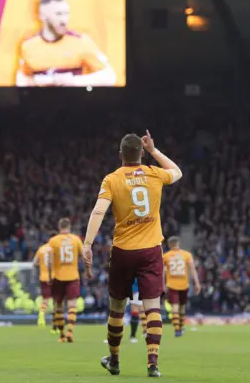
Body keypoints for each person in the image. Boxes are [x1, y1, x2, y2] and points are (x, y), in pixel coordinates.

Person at [83, 131, 182, 377]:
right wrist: (155, 152)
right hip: (151, 250)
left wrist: (87, 244)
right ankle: (153, 364)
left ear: (120, 155)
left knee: (117, 307)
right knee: (153, 307)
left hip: (123, 251)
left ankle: (114, 360)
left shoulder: (112, 179)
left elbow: (98, 212)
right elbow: (177, 172)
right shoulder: (154, 173)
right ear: (141, 153)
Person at [16, 0, 117, 87]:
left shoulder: (80, 41)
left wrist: (74, 81)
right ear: (42, 16)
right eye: (59, 14)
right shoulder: (28, 45)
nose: (64, 20)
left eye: (66, 14)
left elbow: (109, 76)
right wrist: (34, 83)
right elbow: (22, 78)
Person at [49, 218, 83, 343]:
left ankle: (62, 335)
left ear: (59, 227)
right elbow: (84, 255)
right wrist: (88, 271)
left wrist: (49, 275)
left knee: (58, 306)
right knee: (72, 306)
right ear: (69, 227)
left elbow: (50, 260)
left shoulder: (53, 241)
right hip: (73, 276)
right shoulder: (76, 239)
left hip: (58, 276)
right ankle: (70, 331)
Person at [163, 236, 201, 337]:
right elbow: (193, 269)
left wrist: (162, 284)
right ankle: (181, 326)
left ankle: (177, 329)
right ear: (178, 244)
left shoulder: (166, 256)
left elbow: (162, 272)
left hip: (172, 285)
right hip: (184, 285)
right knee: (182, 307)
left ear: (169, 245)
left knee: (175, 307)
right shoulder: (187, 255)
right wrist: (197, 283)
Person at [33, 242, 56, 333]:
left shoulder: (41, 249)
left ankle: (41, 314)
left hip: (43, 277)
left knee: (45, 299)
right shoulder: (55, 248)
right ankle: (55, 321)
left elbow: (34, 263)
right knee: (56, 300)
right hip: (54, 277)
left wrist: (41, 265)